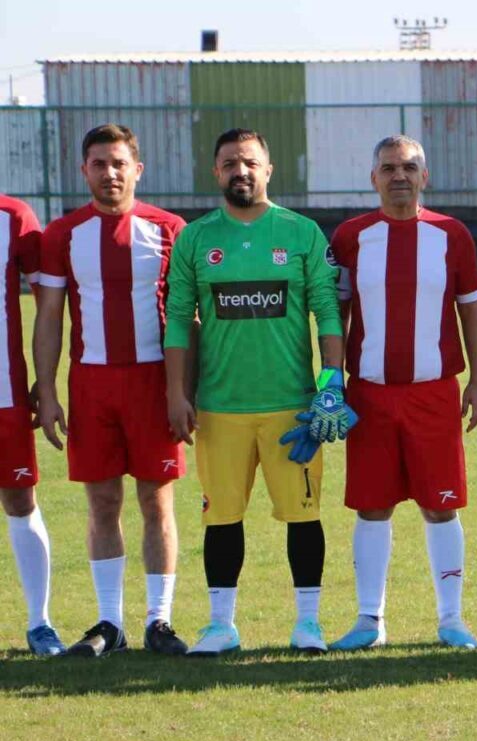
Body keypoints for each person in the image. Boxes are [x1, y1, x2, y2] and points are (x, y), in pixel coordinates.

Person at [164, 128, 346, 656]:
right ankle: (221, 626)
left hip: (292, 407)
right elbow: (178, 319)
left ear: (268, 169)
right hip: (220, 409)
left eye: (248, 162)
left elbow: (326, 312)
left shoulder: (301, 232)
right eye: (229, 164)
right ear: (215, 172)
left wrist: (331, 385)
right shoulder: (196, 239)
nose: (239, 171)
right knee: (221, 517)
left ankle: (308, 624)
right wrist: (177, 393)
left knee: (304, 516)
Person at [328, 135, 477, 651]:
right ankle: (369, 620)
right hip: (369, 395)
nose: (400, 175)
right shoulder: (350, 237)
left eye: (410, 167)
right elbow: (335, 314)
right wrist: (332, 381)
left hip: (433, 394)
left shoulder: (452, 235)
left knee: (441, 507)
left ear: (425, 177)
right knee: (372, 507)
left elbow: (472, 310)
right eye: (390, 167)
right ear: (373, 177)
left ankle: (451, 619)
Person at [35, 124, 189, 657]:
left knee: (156, 500)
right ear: (85, 171)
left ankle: (159, 620)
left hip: (154, 384)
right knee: (102, 502)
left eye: (119, 163)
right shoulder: (63, 234)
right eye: (99, 164)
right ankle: (110, 624)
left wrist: (183, 390)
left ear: (137, 169)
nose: (110, 173)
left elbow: (187, 317)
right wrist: (47, 390)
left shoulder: (169, 229)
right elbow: (49, 318)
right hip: (92, 385)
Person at [1, 194, 62, 655]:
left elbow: (50, 303)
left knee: (21, 500)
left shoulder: (13, 216)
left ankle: (40, 623)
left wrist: (45, 379)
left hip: (4, 392)